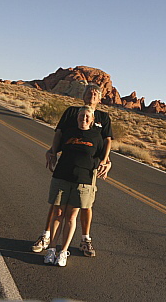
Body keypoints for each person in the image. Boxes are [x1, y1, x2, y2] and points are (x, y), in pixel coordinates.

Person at [32, 83, 113, 259]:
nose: (92, 95)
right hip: (67, 164)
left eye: (96, 93)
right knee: (57, 203)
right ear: (83, 95)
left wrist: (106, 161)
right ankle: (46, 236)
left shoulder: (104, 117)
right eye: (89, 92)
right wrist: (52, 151)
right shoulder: (71, 112)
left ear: (100, 99)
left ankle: (85, 239)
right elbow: (60, 134)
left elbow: (107, 141)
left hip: (89, 167)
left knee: (85, 205)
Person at [43, 105, 105, 266]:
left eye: (87, 117)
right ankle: (51, 249)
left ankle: (63, 252)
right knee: (58, 212)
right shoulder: (68, 132)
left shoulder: (97, 137)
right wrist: (50, 153)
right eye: (81, 116)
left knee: (71, 216)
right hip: (62, 176)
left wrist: (107, 164)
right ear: (77, 117)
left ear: (92, 120)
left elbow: (102, 157)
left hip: (82, 181)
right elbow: (55, 148)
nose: (83, 118)